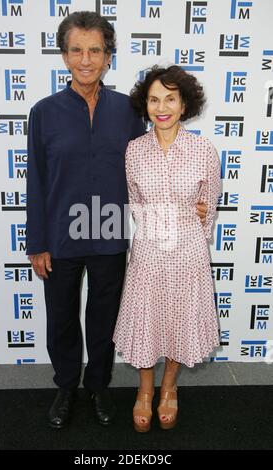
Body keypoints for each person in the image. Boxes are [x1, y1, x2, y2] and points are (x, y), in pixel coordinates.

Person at [26, 11, 208, 429]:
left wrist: (191, 204)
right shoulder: (44, 112)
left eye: (95, 50)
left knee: (103, 321)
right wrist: (37, 242)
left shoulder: (128, 110)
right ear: (64, 55)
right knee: (62, 318)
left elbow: (153, 162)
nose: (85, 59)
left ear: (109, 57)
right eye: (76, 50)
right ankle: (66, 388)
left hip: (111, 233)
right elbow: (35, 178)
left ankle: (98, 388)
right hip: (60, 235)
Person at [113, 65, 221, 432]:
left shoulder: (204, 149)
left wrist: (192, 226)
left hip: (189, 250)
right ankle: (145, 390)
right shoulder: (134, 151)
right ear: (145, 105)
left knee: (180, 320)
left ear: (184, 103)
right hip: (148, 249)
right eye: (154, 99)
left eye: (170, 99)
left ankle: (169, 387)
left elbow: (210, 205)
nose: (162, 107)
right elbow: (135, 203)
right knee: (146, 322)